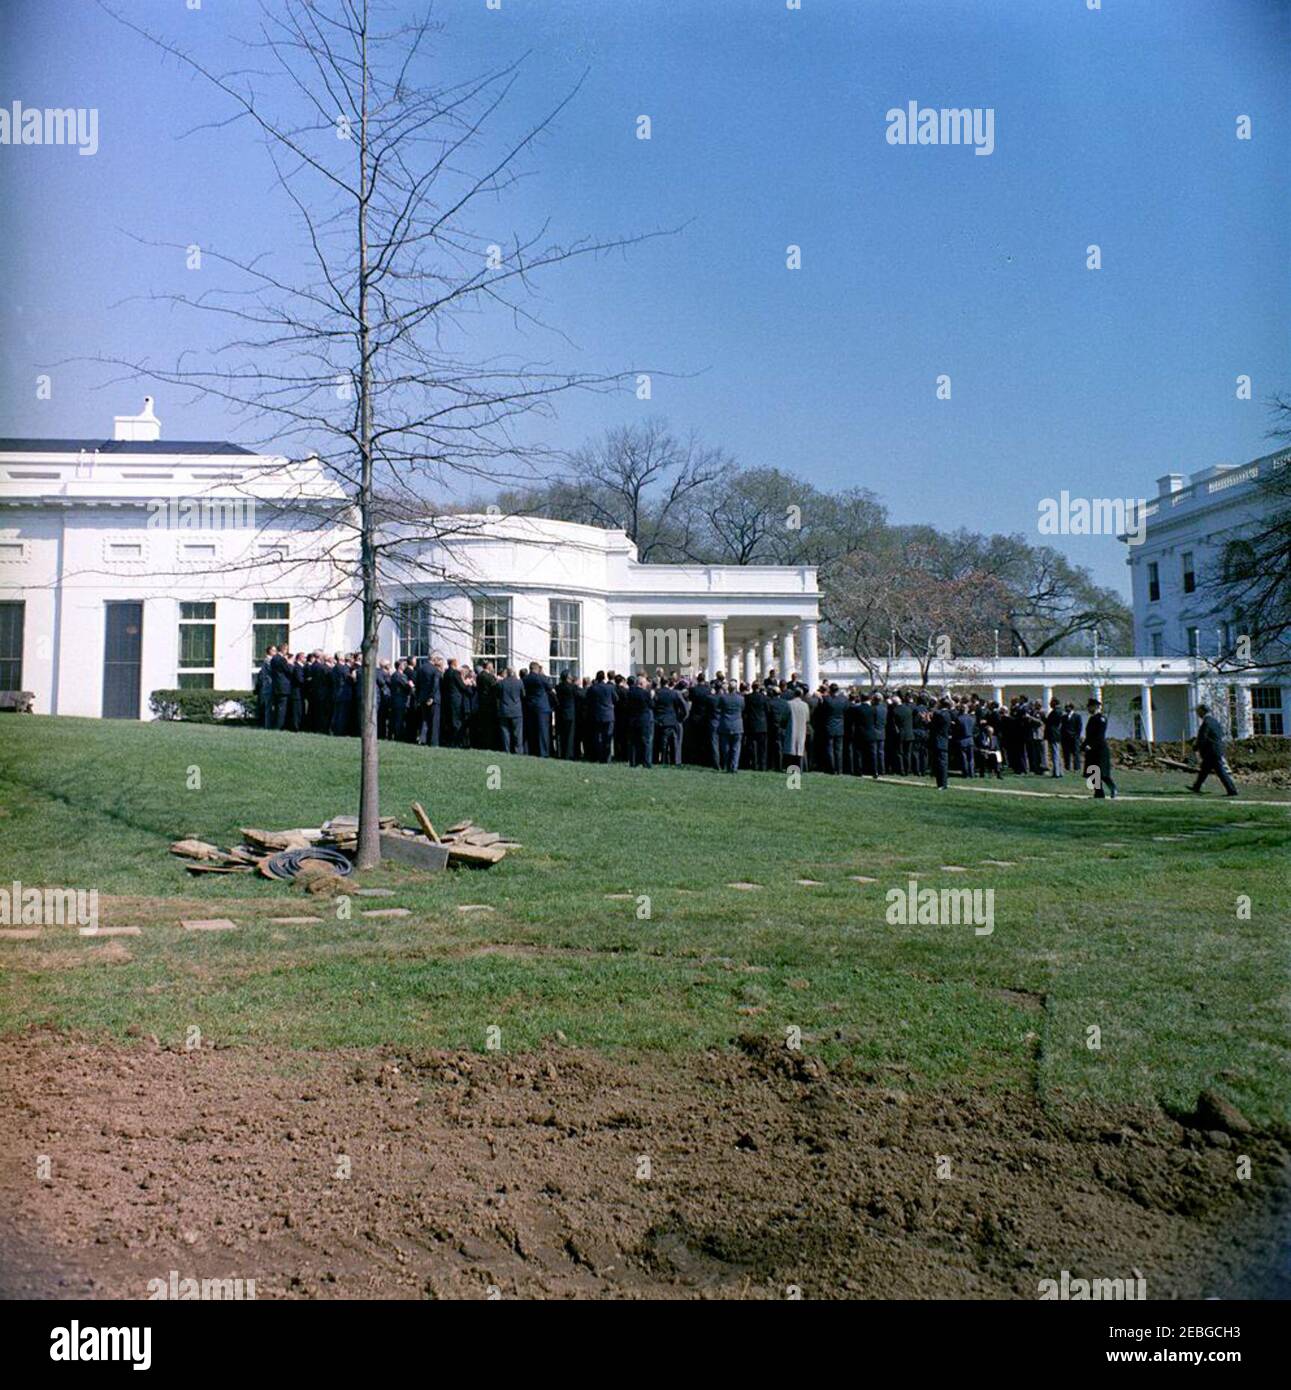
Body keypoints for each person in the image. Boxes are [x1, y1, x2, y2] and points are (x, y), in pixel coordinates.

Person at [1190, 703, 1239, 796]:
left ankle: (1232, 790)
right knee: (1204, 770)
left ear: (1202, 711)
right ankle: (1196, 786)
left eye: (1198, 712)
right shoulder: (1214, 721)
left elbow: (1203, 737)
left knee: (1220, 771)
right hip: (1215, 750)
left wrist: (1196, 747)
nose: (1197, 714)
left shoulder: (1207, 722)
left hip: (1211, 751)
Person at [1081, 697, 1117, 799]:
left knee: (1102, 773)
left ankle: (1113, 788)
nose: (1088, 709)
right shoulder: (1091, 719)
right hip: (1091, 751)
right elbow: (1089, 735)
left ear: (1095, 707)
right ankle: (1099, 794)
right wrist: (1083, 746)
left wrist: (1090, 745)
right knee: (1093, 773)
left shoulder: (1101, 719)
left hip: (1099, 749)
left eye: (1090, 707)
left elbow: (1099, 735)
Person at [654, 678, 687, 766]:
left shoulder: (657, 693)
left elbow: (653, 705)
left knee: (662, 742)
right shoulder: (674, 693)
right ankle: (675, 760)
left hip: (659, 720)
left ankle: (662, 759)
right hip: (673, 720)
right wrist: (681, 718)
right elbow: (684, 707)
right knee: (674, 742)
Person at [624, 674, 655, 768]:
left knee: (633, 742)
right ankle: (646, 762)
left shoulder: (629, 692)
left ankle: (633, 762)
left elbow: (627, 705)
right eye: (645, 683)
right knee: (646, 742)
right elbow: (651, 705)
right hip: (644, 720)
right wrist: (652, 697)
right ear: (641, 683)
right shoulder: (646, 693)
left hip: (633, 719)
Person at [717, 679, 745, 773]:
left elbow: (719, 707)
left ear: (728, 688)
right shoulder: (741, 699)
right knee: (736, 748)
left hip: (725, 724)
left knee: (725, 747)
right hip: (737, 725)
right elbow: (743, 708)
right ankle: (734, 767)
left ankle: (726, 765)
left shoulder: (723, 698)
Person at [587, 671, 615, 762]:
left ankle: (598, 756)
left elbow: (588, 700)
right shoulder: (610, 688)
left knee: (597, 737)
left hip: (597, 715)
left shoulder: (593, 688)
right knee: (607, 737)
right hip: (608, 715)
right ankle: (607, 758)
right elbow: (616, 698)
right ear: (604, 678)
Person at [822, 683, 847, 774]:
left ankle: (832, 768)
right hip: (840, 726)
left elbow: (823, 710)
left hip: (829, 726)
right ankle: (839, 769)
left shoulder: (827, 700)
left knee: (830, 748)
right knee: (838, 750)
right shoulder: (843, 700)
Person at [498, 667, 524, 753]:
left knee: (505, 733)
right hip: (516, 710)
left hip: (504, 710)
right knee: (517, 733)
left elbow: (498, 695)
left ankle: (507, 750)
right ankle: (518, 751)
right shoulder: (519, 682)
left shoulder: (501, 683)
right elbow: (523, 695)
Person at [929, 697, 952, 790]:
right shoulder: (948, 714)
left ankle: (942, 784)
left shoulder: (939, 714)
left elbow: (933, 726)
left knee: (940, 763)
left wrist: (927, 720)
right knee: (942, 763)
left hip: (938, 740)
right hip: (944, 740)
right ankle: (942, 783)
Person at [1044, 698, 1065, 778]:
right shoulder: (1059, 711)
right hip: (1055, 734)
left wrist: (1043, 717)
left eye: (1051, 703)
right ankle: (1059, 771)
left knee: (1055, 753)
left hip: (1053, 734)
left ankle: (1056, 772)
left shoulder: (1055, 712)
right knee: (1057, 753)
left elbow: (1050, 723)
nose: (1050, 704)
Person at [1061, 702, 1082, 771]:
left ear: (1071, 708)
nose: (1066, 708)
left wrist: (1076, 736)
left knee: (1076, 753)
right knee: (1066, 753)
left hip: (1074, 738)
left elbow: (1079, 727)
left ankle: (1077, 767)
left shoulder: (1077, 716)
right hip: (1065, 738)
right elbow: (1062, 727)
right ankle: (1067, 767)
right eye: (1066, 707)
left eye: (1067, 707)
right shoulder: (1064, 717)